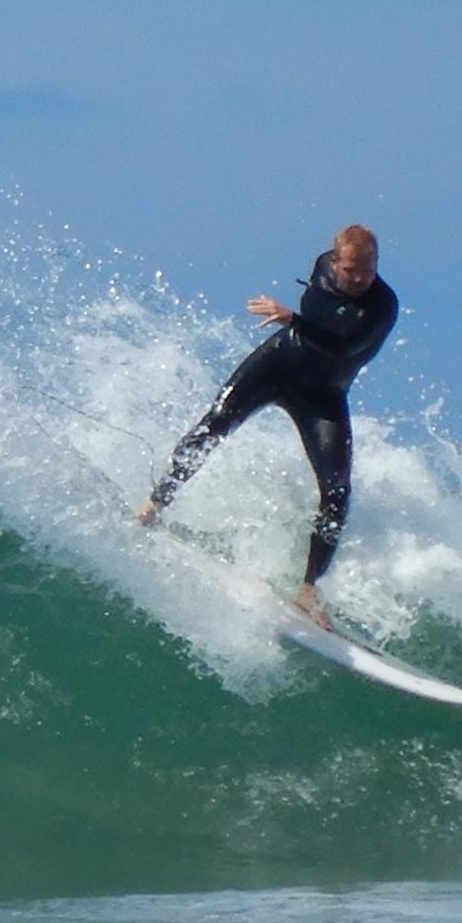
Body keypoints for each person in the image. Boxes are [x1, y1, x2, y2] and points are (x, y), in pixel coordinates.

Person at [135, 222, 398, 627]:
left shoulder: (382, 306)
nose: (360, 279)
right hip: (277, 364)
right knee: (214, 424)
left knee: (337, 490)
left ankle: (309, 590)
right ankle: (155, 504)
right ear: (334, 261)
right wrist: (295, 324)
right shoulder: (322, 266)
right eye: (350, 270)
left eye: (368, 269)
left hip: (322, 397)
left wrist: (293, 319)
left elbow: (345, 346)